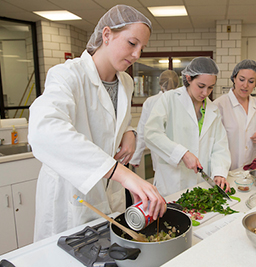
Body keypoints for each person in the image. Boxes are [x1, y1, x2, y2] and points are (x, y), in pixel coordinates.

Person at [28, 5, 166, 242]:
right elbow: (45, 130)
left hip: (108, 191)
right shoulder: (67, 75)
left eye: (142, 48)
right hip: (70, 195)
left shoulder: (126, 81)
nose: (137, 55)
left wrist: (129, 131)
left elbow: (110, 121)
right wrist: (120, 173)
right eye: (132, 43)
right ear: (107, 35)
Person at [144, 57, 231, 196]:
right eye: (201, 86)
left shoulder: (213, 109)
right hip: (172, 182)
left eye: (210, 88)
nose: (205, 93)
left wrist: (219, 172)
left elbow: (220, 146)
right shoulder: (169, 99)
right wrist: (181, 153)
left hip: (201, 183)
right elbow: (151, 133)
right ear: (188, 78)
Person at [214, 59, 256, 171]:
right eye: (241, 79)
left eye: (251, 81)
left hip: (248, 170)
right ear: (234, 78)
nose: (245, 85)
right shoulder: (219, 105)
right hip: (225, 171)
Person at [130, 70, 179, 170]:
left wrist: (136, 158)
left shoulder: (151, 102)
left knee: (161, 181)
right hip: (180, 153)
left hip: (159, 153)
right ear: (178, 85)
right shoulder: (183, 101)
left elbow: (143, 130)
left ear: (161, 85)